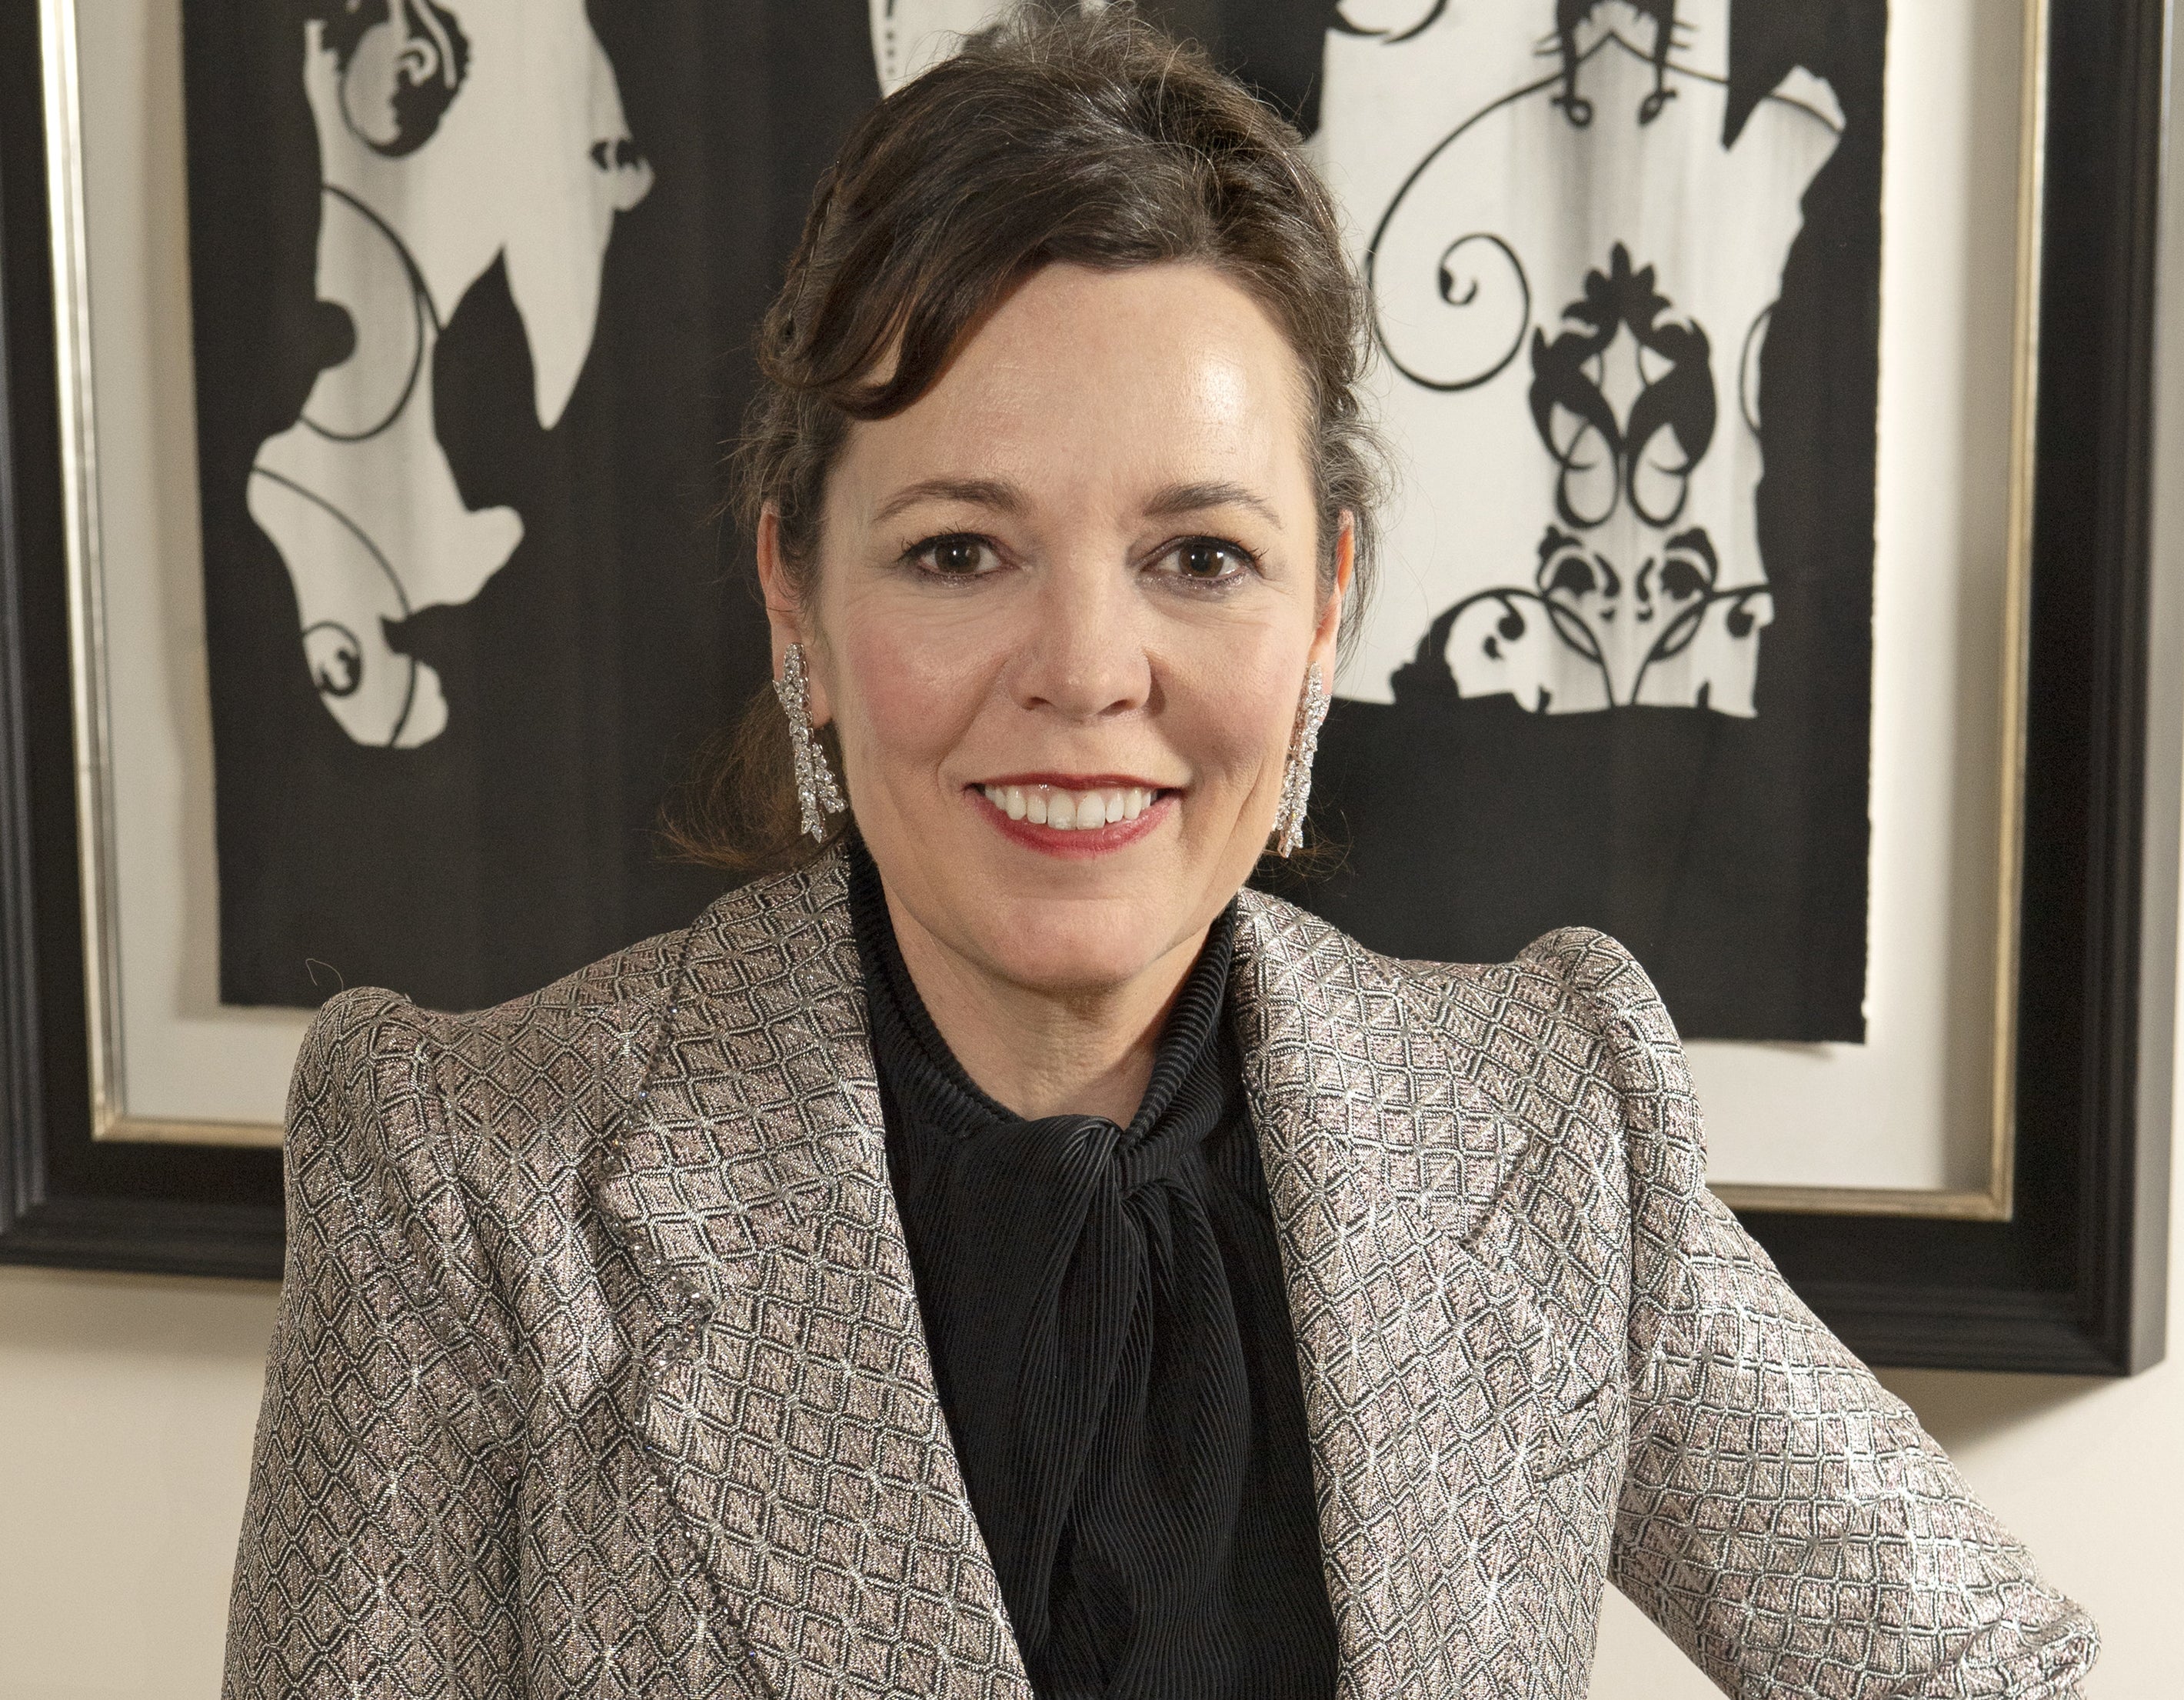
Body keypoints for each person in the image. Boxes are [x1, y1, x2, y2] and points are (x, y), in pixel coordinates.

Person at [222, 9, 2096, 1698]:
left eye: (1199, 557)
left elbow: (1978, 1668)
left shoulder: (1549, 1113)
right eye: (961, 549)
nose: (1085, 675)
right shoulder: (468, 1168)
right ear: (794, 593)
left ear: (1327, 609)